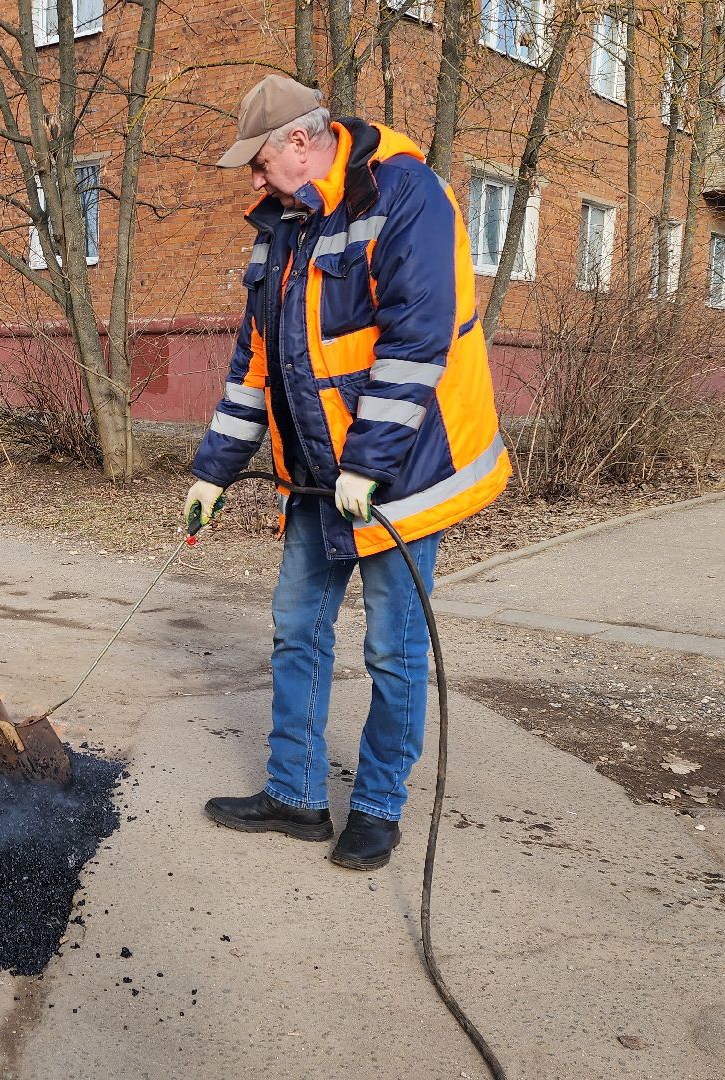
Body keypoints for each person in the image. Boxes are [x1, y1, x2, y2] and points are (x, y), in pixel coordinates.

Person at [186, 76, 510, 871]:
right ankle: (294, 794)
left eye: (260, 163)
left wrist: (368, 465)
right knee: (298, 629)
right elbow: (254, 364)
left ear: (302, 141)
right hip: (316, 480)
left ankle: (377, 807)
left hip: (401, 471)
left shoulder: (407, 196)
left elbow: (416, 341)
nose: (254, 183)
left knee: (393, 651)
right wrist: (214, 473)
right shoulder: (281, 228)